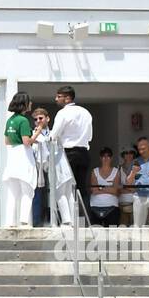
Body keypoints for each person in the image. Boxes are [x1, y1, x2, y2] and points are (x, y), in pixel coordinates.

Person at [50, 85, 92, 213]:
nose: (56, 99)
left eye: (59, 96)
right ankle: (83, 218)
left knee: (66, 187)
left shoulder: (63, 113)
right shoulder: (86, 112)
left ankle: (69, 219)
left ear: (68, 98)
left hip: (68, 153)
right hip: (84, 152)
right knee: (82, 187)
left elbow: (54, 135)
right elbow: (89, 135)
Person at [0, 93, 36, 229]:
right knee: (27, 189)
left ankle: (10, 222)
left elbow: (7, 140)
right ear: (24, 104)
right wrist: (36, 134)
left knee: (13, 192)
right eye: (29, 102)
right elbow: (27, 141)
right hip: (23, 157)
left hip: (12, 157)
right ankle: (24, 221)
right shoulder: (24, 120)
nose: (31, 103)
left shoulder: (10, 120)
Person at [30, 107, 54, 227]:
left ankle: (53, 221)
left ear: (47, 119)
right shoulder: (31, 133)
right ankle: (37, 223)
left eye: (41, 118)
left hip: (52, 167)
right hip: (37, 167)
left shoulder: (54, 133)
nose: (38, 121)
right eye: (36, 119)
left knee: (53, 195)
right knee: (38, 195)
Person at [88, 147, 122, 227]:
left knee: (112, 235)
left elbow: (115, 191)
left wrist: (100, 188)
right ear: (100, 158)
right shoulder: (94, 171)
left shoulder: (116, 171)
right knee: (96, 235)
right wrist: (109, 188)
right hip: (95, 206)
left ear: (112, 158)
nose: (106, 158)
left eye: (108, 156)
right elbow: (94, 190)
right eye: (103, 156)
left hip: (112, 207)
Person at [117, 148, 138, 227]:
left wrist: (125, 188)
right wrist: (131, 189)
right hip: (122, 202)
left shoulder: (138, 168)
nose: (128, 155)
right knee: (123, 227)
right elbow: (117, 187)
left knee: (135, 226)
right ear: (123, 155)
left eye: (131, 153)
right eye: (126, 153)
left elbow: (140, 187)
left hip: (136, 201)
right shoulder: (119, 168)